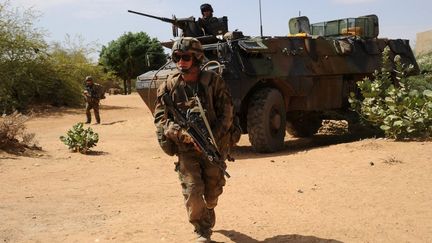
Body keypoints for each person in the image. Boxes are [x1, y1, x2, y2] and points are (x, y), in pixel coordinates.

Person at [153, 37, 234, 243]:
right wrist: (181, 133)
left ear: (197, 58)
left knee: (213, 190)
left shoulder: (213, 81)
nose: (181, 61)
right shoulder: (169, 86)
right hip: (185, 148)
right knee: (192, 190)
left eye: (186, 57)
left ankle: (210, 208)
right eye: (177, 57)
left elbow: (227, 114)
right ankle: (202, 229)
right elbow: (161, 120)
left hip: (213, 145)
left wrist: (210, 138)